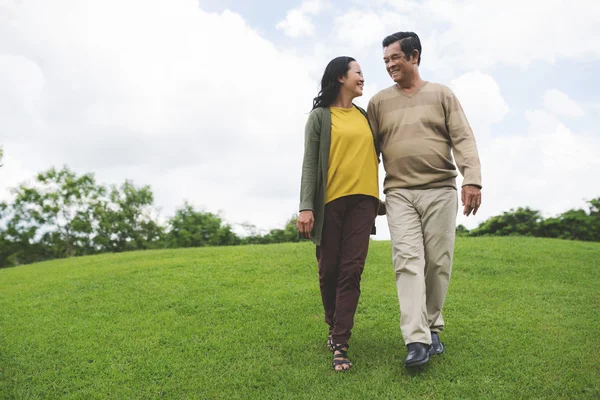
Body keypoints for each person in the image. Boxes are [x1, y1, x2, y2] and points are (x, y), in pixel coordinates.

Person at [367, 32, 482, 368]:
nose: (389, 65)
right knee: (407, 261)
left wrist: (471, 179)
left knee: (438, 262)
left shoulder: (442, 94)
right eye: (386, 60)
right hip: (398, 193)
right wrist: (369, 197)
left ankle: (432, 327)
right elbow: (367, 153)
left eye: (395, 58)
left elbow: (463, 138)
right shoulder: (378, 103)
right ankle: (416, 339)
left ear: (414, 57)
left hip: (441, 189)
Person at [297, 56, 384, 372]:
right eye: (358, 72)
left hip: (364, 204)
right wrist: (306, 206)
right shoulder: (320, 117)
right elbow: (310, 163)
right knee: (328, 269)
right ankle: (334, 323)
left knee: (351, 270)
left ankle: (340, 344)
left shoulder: (365, 117)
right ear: (340, 78)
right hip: (330, 202)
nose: (363, 77)